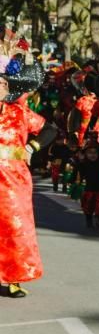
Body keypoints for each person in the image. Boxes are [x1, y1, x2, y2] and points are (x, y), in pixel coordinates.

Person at [0, 62, 56, 298]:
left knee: (15, 227)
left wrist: (32, 147)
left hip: (14, 178)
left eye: (2, 84)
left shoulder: (20, 112)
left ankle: (14, 278)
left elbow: (50, 130)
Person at [75, 140, 99, 229]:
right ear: (86, 154)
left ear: (98, 154)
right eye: (90, 153)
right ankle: (89, 219)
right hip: (88, 189)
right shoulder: (83, 164)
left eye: (95, 153)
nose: (92, 155)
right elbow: (78, 172)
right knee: (88, 206)